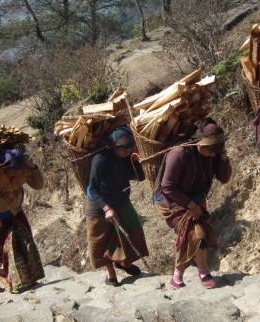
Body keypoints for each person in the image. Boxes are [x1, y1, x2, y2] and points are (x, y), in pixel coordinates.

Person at [153, 118, 232, 289]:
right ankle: (198, 271)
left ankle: (182, 275)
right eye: (210, 151)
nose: (212, 155)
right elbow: (167, 186)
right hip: (168, 200)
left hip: (194, 198)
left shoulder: (212, 152)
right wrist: (192, 206)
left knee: (197, 232)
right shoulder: (179, 153)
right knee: (194, 231)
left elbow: (224, 178)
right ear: (198, 143)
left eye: (214, 152)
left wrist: (223, 157)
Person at [85, 126, 149, 286]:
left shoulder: (127, 156)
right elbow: (92, 188)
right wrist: (106, 208)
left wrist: (137, 161)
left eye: (130, 147)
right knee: (102, 241)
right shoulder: (100, 159)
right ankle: (111, 274)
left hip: (120, 199)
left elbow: (140, 177)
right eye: (124, 149)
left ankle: (123, 263)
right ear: (114, 145)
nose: (127, 151)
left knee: (133, 229)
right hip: (98, 204)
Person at [0, 148, 45, 293]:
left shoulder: (22, 169)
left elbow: (39, 185)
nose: (14, 173)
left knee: (24, 241)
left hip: (15, 212)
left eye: (17, 169)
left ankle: (28, 275)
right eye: (11, 170)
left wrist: (32, 167)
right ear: (3, 166)